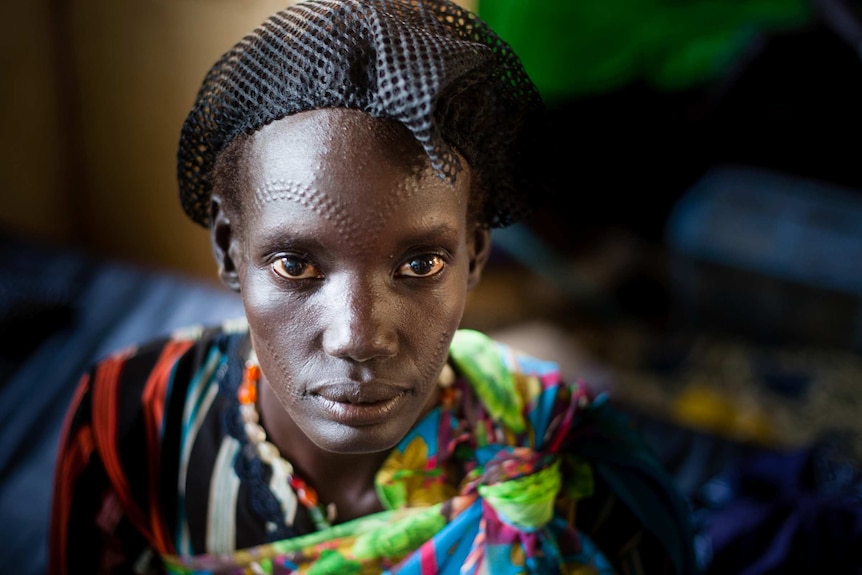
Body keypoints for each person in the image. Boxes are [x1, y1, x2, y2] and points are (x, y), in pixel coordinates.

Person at [49, 1, 698, 573]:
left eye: (420, 265)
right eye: (296, 266)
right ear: (228, 248)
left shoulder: (574, 458)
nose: (359, 335)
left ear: (474, 254)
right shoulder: (133, 427)